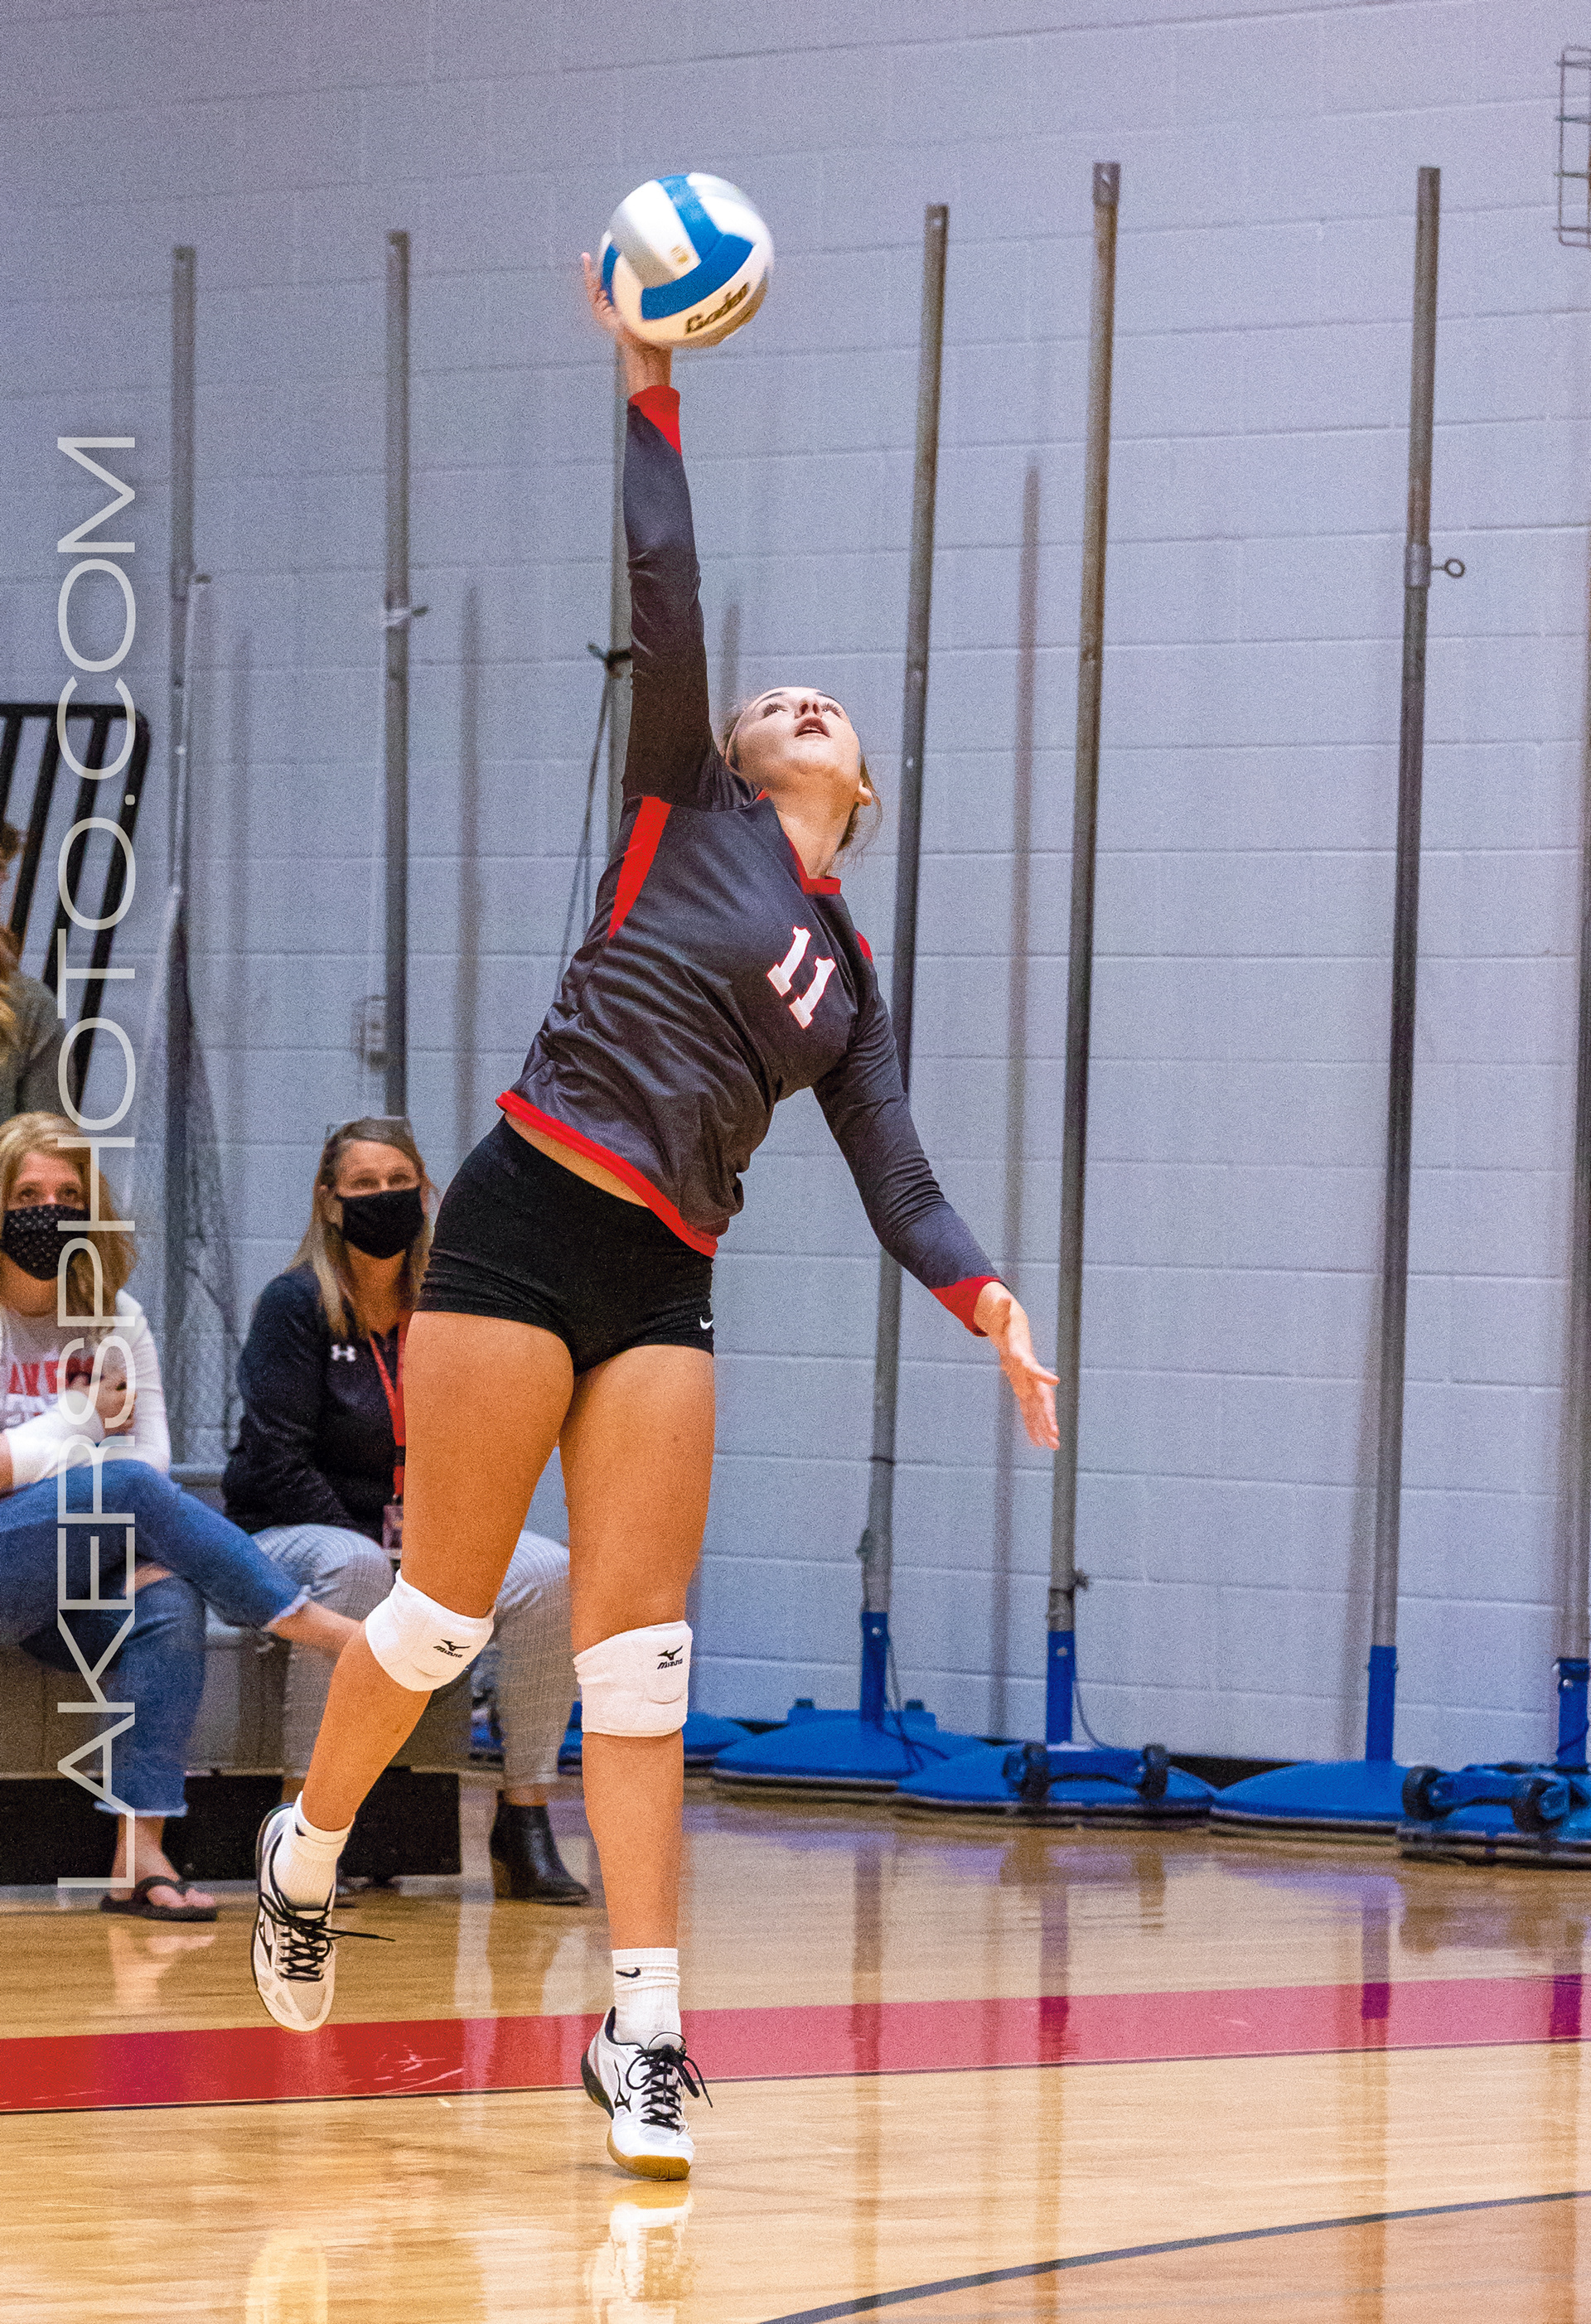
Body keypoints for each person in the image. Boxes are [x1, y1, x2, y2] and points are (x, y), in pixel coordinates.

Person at [250, 260, 1058, 2185]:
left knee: (641, 1662)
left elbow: (895, 1170)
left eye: (823, 708)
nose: (793, 699)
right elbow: (668, 589)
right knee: (441, 1614)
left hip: (664, 1273)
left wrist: (987, 1299)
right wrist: (648, 380)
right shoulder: (678, 803)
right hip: (525, 1215)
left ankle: (646, 2033)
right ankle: (306, 1844)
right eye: (776, 697)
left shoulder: (847, 978)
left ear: (860, 789)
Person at [0, 1114, 359, 1921]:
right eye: (27, 1196)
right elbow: (122, 1475)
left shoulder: (116, 1318)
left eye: (67, 1195)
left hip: (66, 1576)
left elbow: (151, 1463)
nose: (48, 1211)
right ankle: (319, 1627)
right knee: (122, 1485)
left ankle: (138, 1857)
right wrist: (79, 1420)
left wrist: (54, 1470)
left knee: (165, 1597)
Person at [223, 1116, 587, 1902]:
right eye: (364, 1184)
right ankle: (302, 1826)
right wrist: (395, 1561)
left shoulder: (451, 1304)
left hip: (415, 1540)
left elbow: (482, 1443)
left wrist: (436, 1549)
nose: (384, 1197)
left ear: (425, 1194)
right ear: (330, 1201)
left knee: (550, 1573)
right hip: (292, 1531)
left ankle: (524, 1817)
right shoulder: (294, 1304)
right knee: (355, 1566)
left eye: (400, 1182)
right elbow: (277, 1461)